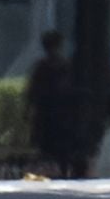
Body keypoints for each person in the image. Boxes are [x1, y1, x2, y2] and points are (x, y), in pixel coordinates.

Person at [24, 31, 82, 178]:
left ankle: (56, 170)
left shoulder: (47, 67)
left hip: (53, 113)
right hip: (54, 112)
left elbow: (32, 91)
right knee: (52, 145)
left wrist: (28, 109)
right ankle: (57, 170)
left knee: (52, 145)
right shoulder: (60, 67)